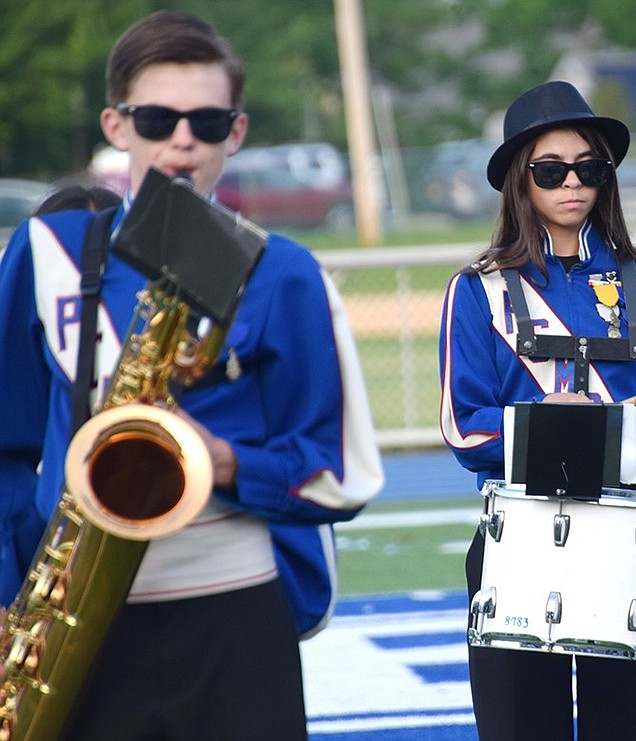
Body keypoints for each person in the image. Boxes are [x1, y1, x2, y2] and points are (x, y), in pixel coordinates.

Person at [0, 11, 384, 740]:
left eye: (207, 122)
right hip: (74, 619)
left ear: (235, 133)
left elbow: (344, 473)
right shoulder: (47, 250)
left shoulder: (286, 272)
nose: (182, 139)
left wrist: (227, 459)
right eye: (157, 118)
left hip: (235, 607)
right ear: (116, 125)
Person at [439, 80, 636, 740]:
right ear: (520, 181)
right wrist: (545, 416)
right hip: (517, 535)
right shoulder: (477, 289)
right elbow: (464, 426)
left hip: (626, 536)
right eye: (551, 171)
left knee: (630, 729)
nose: (571, 184)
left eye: (590, 168)